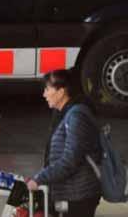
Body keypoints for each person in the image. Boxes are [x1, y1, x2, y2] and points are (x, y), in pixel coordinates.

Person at [27, 68, 103, 217]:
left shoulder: (76, 117)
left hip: (80, 196)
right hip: (71, 193)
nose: (44, 94)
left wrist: (40, 178)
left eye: (47, 89)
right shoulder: (63, 114)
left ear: (61, 92)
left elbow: (70, 159)